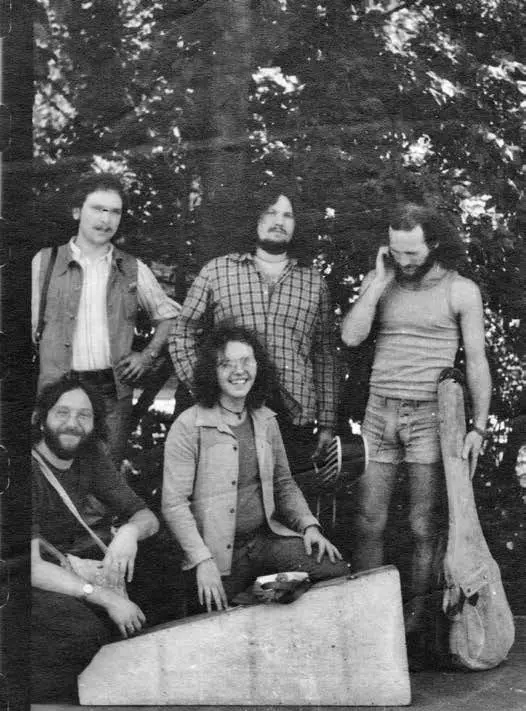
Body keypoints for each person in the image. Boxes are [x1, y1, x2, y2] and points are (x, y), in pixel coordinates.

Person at [341, 203, 491, 661]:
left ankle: (417, 626)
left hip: (431, 416)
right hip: (379, 412)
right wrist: (377, 283)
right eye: (396, 250)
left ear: (434, 245)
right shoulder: (381, 282)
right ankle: (370, 621)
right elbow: (351, 336)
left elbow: (477, 361)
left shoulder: (460, 290)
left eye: (412, 252)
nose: (403, 260)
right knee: (368, 520)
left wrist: (478, 427)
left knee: (422, 524)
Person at [162, 324, 349, 613]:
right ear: (212, 372)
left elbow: (284, 483)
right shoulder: (189, 425)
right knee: (214, 616)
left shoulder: (266, 419)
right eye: (226, 364)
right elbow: (174, 504)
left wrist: (309, 525)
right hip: (215, 554)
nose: (239, 371)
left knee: (334, 570)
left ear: (258, 366)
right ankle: (249, 596)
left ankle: (253, 595)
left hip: (265, 541)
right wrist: (201, 559)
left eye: (246, 361)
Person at [31, 376, 185, 703]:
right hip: (21, 577)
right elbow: (29, 567)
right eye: (62, 413)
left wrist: (129, 532)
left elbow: (144, 516)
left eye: (84, 415)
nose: (72, 423)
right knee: (83, 631)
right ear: (42, 417)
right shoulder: (21, 468)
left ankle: (143, 679)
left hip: (66, 561)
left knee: (164, 561)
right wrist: (107, 598)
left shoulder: (89, 456)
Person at [170, 182, 339, 472]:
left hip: (292, 416)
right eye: (270, 212)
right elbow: (182, 333)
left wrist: (326, 423)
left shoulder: (313, 282)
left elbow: (324, 355)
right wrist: (205, 388)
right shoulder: (217, 271)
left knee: (285, 493)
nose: (279, 221)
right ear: (253, 218)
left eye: (288, 215)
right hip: (227, 410)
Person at [32, 172, 180, 467]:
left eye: (114, 211)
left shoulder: (132, 268)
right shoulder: (45, 261)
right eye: (98, 209)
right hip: (56, 391)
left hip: (110, 393)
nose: (106, 219)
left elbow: (171, 317)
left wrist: (147, 355)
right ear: (77, 212)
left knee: (105, 476)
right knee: (51, 472)